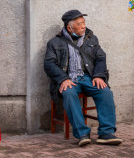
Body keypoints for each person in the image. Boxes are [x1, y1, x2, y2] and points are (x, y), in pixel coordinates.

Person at [44, 9, 122, 146]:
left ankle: (106, 133)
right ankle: (82, 134)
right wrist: (63, 79)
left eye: (83, 23)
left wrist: (98, 75)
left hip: (87, 77)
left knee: (105, 92)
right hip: (68, 78)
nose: (83, 26)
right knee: (68, 94)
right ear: (69, 27)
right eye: (79, 24)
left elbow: (100, 57)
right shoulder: (54, 43)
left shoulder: (91, 38)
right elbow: (49, 64)